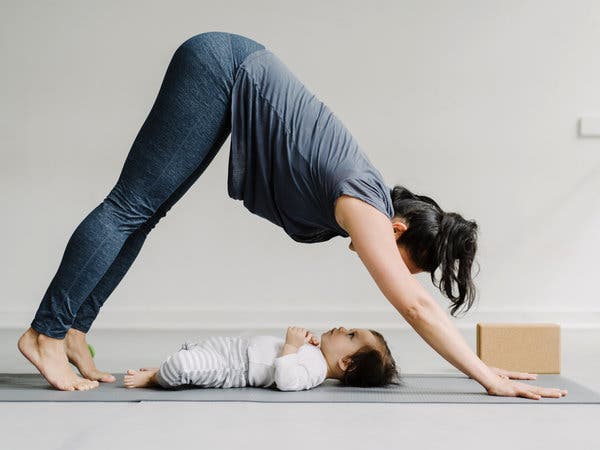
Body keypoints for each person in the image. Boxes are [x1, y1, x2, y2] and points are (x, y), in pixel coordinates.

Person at [17, 31, 567, 400]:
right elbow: (418, 308)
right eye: (406, 264)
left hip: (230, 73)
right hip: (221, 67)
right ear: (397, 230)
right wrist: (487, 376)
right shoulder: (367, 207)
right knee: (129, 205)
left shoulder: (366, 199)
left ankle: (72, 329)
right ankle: (43, 333)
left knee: (144, 213)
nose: (398, 276)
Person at [123, 326, 401, 391]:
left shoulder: (316, 371)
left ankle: (157, 378)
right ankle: (168, 369)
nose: (342, 328)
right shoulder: (316, 354)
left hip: (232, 368)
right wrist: (305, 344)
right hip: (232, 350)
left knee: (183, 365)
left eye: (351, 336)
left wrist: (292, 346)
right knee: (193, 354)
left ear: (346, 364)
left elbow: (287, 381)